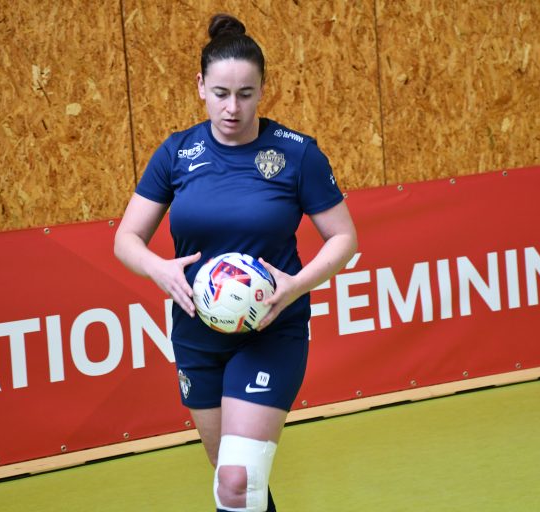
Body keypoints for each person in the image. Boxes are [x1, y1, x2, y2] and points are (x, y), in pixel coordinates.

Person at [114, 13, 357, 512]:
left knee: (235, 481)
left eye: (245, 94)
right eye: (221, 92)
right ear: (200, 86)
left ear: (262, 89)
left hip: (271, 329)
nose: (232, 107)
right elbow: (127, 238)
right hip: (197, 335)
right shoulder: (176, 153)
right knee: (239, 488)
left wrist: (294, 286)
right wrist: (160, 269)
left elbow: (343, 238)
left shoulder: (296, 155)